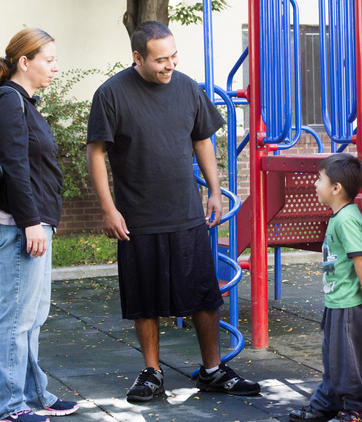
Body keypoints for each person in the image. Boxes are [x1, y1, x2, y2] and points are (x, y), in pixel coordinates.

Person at [86, 21, 261, 402]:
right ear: (138, 57)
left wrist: (214, 190)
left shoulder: (187, 88)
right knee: (144, 299)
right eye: (160, 59)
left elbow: (202, 139)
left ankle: (213, 371)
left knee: (203, 294)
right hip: (137, 217)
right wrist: (108, 209)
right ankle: (152, 373)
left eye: (174, 55)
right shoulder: (111, 94)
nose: (170, 65)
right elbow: (96, 152)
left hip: (186, 212)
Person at [0, 28, 79, 422]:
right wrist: (31, 222)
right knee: (16, 318)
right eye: (49, 59)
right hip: (19, 225)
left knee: (33, 315)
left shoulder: (24, 102)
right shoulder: (8, 101)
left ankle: (35, 394)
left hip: (33, 223)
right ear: (26, 62)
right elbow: (16, 167)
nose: (56, 67)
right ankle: (7, 408)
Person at [289, 153, 362, 422]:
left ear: (336, 188)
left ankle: (356, 408)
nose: (315, 185)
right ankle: (327, 402)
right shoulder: (338, 216)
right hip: (335, 302)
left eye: (319, 179)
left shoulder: (347, 219)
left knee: (347, 360)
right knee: (333, 358)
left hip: (349, 305)